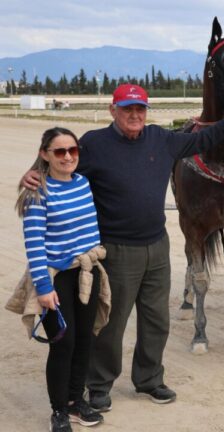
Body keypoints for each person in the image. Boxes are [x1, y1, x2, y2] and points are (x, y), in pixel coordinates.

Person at [20, 84, 224, 411]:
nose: (134, 115)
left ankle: (149, 379)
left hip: (157, 246)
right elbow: (62, 159)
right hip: (116, 249)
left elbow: (202, 140)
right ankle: (99, 385)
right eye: (127, 109)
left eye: (140, 109)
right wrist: (35, 173)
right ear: (113, 111)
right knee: (111, 324)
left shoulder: (161, 139)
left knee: (157, 320)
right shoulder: (94, 144)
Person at [15, 127, 105, 431]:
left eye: (73, 150)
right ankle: (59, 411)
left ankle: (76, 402)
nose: (68, 156)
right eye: (60, 151)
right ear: (45, 154)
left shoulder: (83, 183)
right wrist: (43, 288)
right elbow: (34, 244)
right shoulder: (37, 191)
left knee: (84, 340)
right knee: (63, 344)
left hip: (87, 272)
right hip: (57, 278)